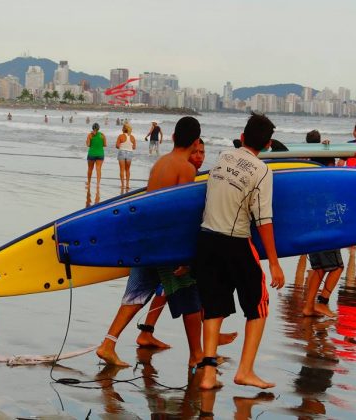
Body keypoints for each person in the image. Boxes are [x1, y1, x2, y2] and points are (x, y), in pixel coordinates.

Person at [96, 116, 202, 368]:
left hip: (146, 239)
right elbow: (180, 213)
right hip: (166, 244)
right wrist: (185, 256)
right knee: (190, 296)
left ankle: (108, 344)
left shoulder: (160, 163)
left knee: (136, 293)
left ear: (174, 137)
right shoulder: (186, 168)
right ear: (196, 141)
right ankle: (197, 356)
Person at [195, 112, 285, 390]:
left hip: (206, 239)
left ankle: (209, 375)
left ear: (242, 137)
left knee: (213, 306)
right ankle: (244, 371)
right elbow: (264, 220)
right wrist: (274, 263)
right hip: (235, 242)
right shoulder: (262, 172)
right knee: (259, 306)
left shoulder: (223, 156)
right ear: (268, 145)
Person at [136, 138, 238, 352]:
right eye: (196, 152)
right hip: (172, 248)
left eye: (203, 152)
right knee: (184, 291)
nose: (200, 156)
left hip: (164, 244)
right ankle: (198, 352)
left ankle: (146, 332)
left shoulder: (187, 174)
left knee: (169, 288)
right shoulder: (185, 174)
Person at [302, 129, 344, 317]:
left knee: (318, 268)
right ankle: (322, 301)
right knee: (337, 266)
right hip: (324, 224)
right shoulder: (324, 166)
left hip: (311, 223)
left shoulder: (303, 165)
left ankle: (308, 307)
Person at [115, 123, 136, 191]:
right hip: (129, 153)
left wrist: (122, 146)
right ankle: (127, 184)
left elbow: (117, 146)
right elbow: (134, 147)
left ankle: (122, 185)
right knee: (127, 170)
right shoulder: (132, 137)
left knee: (122, 170)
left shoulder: (120, 136)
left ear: (124, 129)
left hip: (122, 152)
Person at [86, 123, 107, 189]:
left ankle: (89, 183)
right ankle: (98, 184)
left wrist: (88, 140)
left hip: (91, 154)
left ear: (92, 128)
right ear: (98, 128)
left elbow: (88, 145)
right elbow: (105, 145)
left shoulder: (90, 135)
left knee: (90, 169)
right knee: (98, 169)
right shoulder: (102, 135)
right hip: (100, 154)